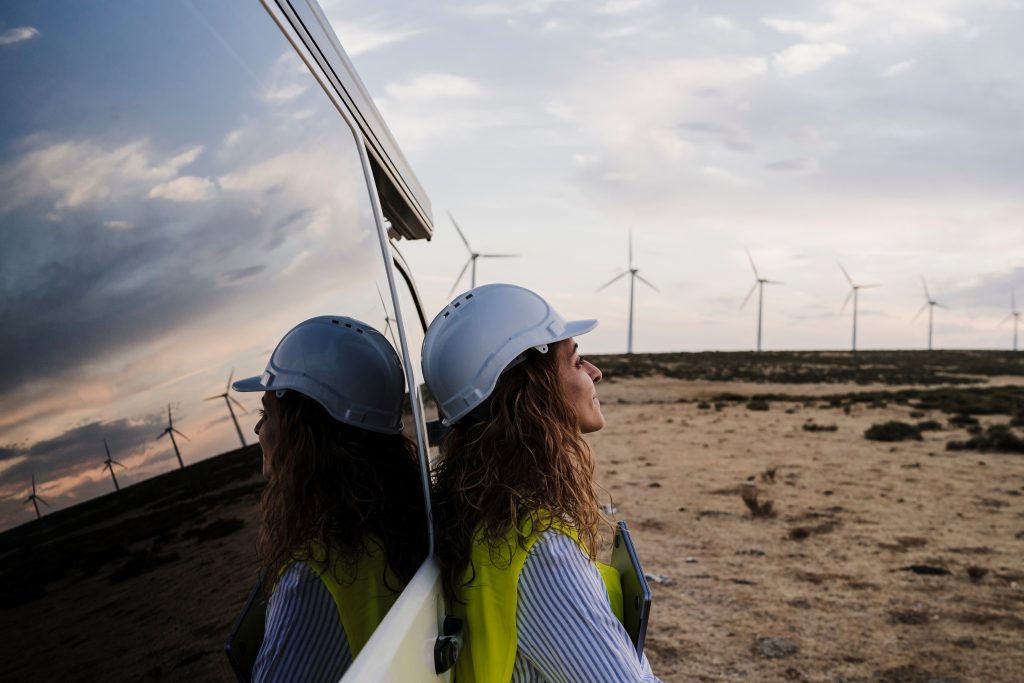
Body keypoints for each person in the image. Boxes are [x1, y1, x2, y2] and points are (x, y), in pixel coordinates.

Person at [423, 284, 661, 683]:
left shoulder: (478, 512)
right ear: (531, 390)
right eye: (576, 360)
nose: (595, 372)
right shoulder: (537, 546)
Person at [232, 315, 427, 682]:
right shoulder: (412, 517)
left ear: (305, 433)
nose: (259, 429)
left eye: (266, 413)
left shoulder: (313, 576)